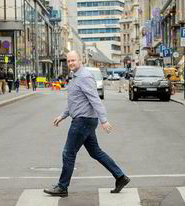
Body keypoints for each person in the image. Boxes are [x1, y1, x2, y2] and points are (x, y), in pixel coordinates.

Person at [43, 51, 129, 197]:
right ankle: (120, 177)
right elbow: (74, 101)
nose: (70, 63)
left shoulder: (84, 77)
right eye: (69, 61)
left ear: (80, 60)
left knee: (68, 153)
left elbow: (95, 99)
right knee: (95, 152)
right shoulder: (75, 77)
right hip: (84, 120)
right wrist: (62, 116)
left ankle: (62, 187)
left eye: (73, 60)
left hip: (83, 120)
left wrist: (104, 120)